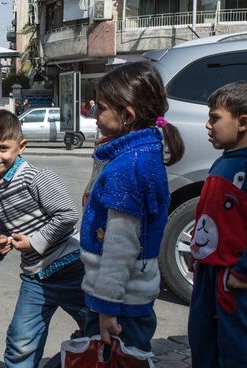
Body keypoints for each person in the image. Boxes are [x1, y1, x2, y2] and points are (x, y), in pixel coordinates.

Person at [80, 62, 185, 353]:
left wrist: (106, 308)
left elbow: (121, 245)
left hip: (122, 305)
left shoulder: (129, 166)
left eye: (100, 108)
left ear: (127, 115)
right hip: (131, 298)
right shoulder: (143, 153)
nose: (94, 115)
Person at [0, 110, 86, 367]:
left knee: (96, 328)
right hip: (35, 279)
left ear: (21, 146)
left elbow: (67, 214)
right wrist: (0, 243)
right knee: (20, 341)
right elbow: (0, 231)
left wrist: (34, 241)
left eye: (3, 147)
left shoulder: (35, 177)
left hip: (71, 269)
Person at [188, 81, 247, 368]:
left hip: (233, 275)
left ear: (243, 123)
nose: (208, 125)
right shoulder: (223, 162)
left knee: (236, 343)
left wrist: (245, 271)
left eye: (215, 118)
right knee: (202, 337)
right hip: (207, 273)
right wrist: (197, 254)